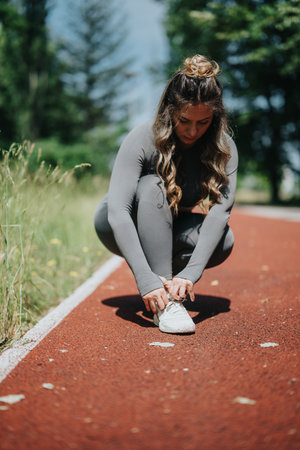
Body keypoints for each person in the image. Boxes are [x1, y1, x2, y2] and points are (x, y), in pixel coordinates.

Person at [94, 54, 238, 334]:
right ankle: (164, 300)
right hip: (120, 222)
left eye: (204, 122)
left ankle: (171, 287)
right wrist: (145, 280)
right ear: (170, 110)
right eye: (185, 121)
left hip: (168, 224)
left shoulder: (224, 147)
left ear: (215, 117)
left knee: (225, 240)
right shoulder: (142, 137)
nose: (193, 131)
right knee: (153, 185)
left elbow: (220, 212)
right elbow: (118, 213)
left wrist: (190, 275)